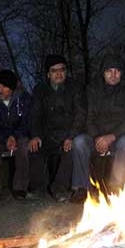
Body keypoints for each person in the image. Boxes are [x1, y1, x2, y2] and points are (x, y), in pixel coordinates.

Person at [69, 55, 125, 202]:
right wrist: (97, 138)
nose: (113, 75)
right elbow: (89, 117)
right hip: (97, 136)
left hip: (119, 135)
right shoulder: (93, 89)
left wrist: (111, 137)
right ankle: (82, 188)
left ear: (121, 73)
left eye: (117, 71)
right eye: (109, 71)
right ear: (103, 73)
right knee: (79, 142)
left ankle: (116, 187)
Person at [28, 55, 86, 201]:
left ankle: (59, 189)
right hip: (48, 135)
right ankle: (37, 188)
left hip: (68, 133)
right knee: (34, 147)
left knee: (71, 148)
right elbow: (35, 115)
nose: (59, 74)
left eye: (62, 70)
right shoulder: (40, 90)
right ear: (48, 74)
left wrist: (71, 136)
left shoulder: (74, 87)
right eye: (54, 71)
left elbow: (80, 114)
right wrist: (35, 135)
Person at [0, 69, 32, 200]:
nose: (0, 90)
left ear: (13, 89)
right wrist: (5, 138)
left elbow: (27, 121)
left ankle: (20, 188)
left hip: (18, 136)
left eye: (4, 87)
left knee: (24, 145)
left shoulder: (24, 98)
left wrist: (15, 136)